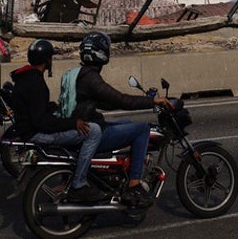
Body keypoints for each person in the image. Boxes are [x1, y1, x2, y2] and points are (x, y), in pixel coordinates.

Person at [72, 31, 171, 209]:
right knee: (142, 129)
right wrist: (152, 101)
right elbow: (121, 99)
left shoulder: (82, 73)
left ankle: (119, 174)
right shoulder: (92, 78)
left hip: (86, 126)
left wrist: (124, 103)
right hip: (90, 131)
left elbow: (105, 101)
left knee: (127, 124)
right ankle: (134, 184)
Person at [9, 39, 106, 203]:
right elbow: (41, 122)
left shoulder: (23, 78)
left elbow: (34, 109)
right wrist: (73, 123)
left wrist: (52, 108)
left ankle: (67, 177)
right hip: (36, 134)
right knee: (94, 130)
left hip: (26, 131)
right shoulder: (36, 83)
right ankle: (79, 184)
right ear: (47, 60)